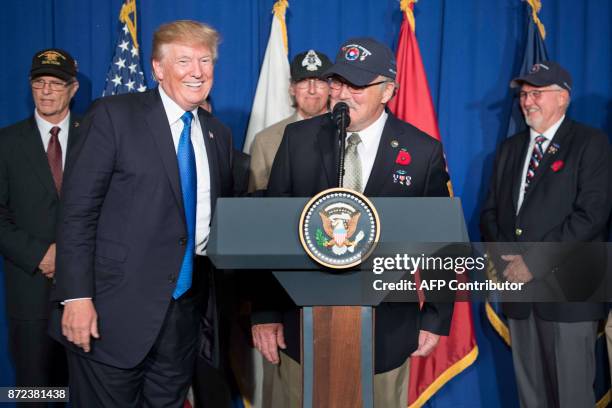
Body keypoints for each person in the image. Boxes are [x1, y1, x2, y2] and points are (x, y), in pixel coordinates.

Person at [251, 37, 453, 408]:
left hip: (387, 331)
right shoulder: (299, 140)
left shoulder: (423, 152)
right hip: (303, 327)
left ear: (388, 90)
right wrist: (265, 311)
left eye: (357, 85)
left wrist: (436, 317)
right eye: (337, 82)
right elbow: (271, 229)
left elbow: (439, 241)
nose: (343, 93)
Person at [49, 20, 234, 407]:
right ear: (157, 68)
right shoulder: (113, 116)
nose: (197, 71)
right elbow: (77, 214)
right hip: (110, 314)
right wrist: (76, 297)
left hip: (184, 318)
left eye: (205, 61)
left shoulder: (218, 133)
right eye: (184, 61)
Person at [480, 61, 611, 407]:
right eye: (524, 94)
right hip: (520, 294)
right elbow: (491, 213)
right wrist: (508, 260)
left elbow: (591, 216)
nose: (527, 101)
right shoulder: (509, 149)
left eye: (537, 93)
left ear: (563, 98)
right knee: (531, 397)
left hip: (570, 294)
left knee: (571, 397)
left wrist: (533, 263)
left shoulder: (590, 143)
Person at [0, 48, 79, 394]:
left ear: (73, 89)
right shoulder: (5, 143)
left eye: (55, 83)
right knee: (33, 392)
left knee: (84, 391)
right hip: (29, 291)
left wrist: (72, 257)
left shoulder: (96, 136)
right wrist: (42, 255)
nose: (46, 90)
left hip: (84, 293)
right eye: (39, 82)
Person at [248, 49, 332, 192]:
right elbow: (257, 204)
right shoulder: (264, 141)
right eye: (304, 81)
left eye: (320, 81)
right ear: (292, 88)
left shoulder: (348, 132)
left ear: (331, 88)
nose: (312, 90)